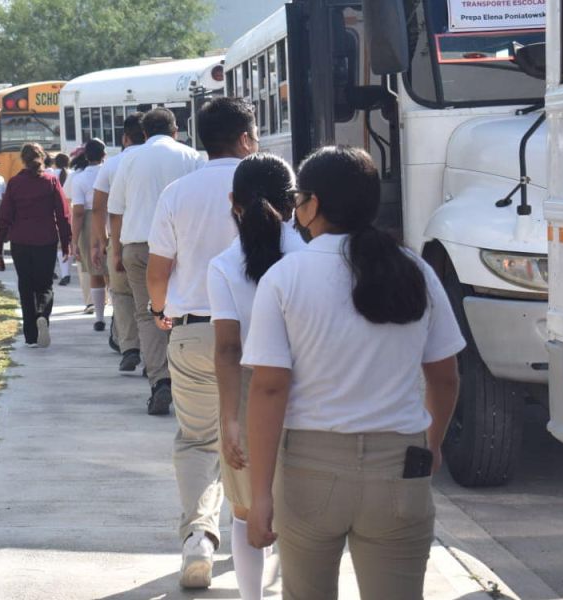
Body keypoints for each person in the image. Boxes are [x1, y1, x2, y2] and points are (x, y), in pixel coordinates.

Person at [243, 146, 465, 600]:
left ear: (313, 204)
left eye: (298, 196)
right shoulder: (414, 270)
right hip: (401, 468)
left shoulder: (285, 278)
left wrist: (260, 493)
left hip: (309, 470)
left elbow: (268, 390)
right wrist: (433, 443)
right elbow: (444, 377)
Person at [145, 97, 258, 589]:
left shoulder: (177, 192)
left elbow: (158, 270)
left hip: (193, 329)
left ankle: (198, 535)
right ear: (247, 138)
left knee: (197, 441)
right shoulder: (272, 181)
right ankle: (255, 533)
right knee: (260, 436)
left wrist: (159, 311)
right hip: (260, 333)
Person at [206, 153, 306, 600]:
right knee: (302, 512)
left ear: (233, 201)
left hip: (249, 392)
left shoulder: (223, 265)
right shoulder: (309, 255)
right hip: (309, 386)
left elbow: (227, 348)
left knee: (246, 511)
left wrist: (230, 419)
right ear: (295, 202)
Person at [108, 108, 204, 415]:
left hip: (137, 246)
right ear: (176, 131)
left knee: (147, 313)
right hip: (181, 245)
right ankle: (184, 380)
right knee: (182, 310)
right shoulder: (192, 157)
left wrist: (115, 250)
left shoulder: (129, 159)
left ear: (144, 133)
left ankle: (160, 381)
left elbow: (117, 209)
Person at [0, 143, 72, 348]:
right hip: (46, 239)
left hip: (20, 241)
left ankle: (30, 335)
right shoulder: (51, 181)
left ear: (23, 160)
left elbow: (4, 217)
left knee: (26, 286)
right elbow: (63, 215)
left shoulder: (15, 183)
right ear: (43, 158)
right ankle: (42, 314)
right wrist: (66, 242)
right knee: (44, 285)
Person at [92, 113, 146, 373]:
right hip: (160, 240)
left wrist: (102, 242)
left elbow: (98, 207)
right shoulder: (161, 158)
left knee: (123, 295)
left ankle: (130, 347)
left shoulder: (112, 165)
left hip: (122, 239)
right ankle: (155, 354)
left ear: (125, 137)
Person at [69, 139, 107, 331]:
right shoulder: (111, 172)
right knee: (114, 274)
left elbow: (77, 212)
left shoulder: (79, 178)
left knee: (95, 272)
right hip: (112, 217)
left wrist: (74, 240)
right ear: (104, 155)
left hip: (89, 221)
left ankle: (99, 318)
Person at [52, 153, 74, 286]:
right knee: (69, 242)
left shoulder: (51, 174)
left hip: (55, 211)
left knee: (57, 244)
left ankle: (58, 272)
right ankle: (66, 273)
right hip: (71, 210)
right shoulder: (72, 173)